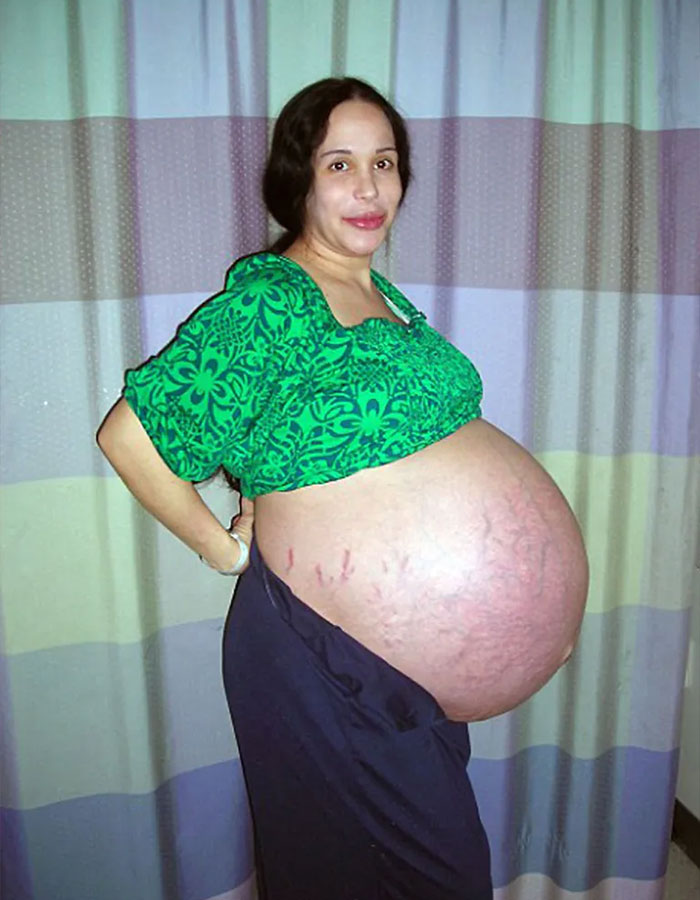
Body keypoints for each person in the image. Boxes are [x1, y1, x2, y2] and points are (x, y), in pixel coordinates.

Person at [98, 77, 587, 900]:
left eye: (385, 162)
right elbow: (130, 437)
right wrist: (222, 547)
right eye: (340, 163)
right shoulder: (272, 300)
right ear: (300, 182)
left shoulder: (383, 298)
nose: (369, 187)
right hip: (324, 657)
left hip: (393, 675)